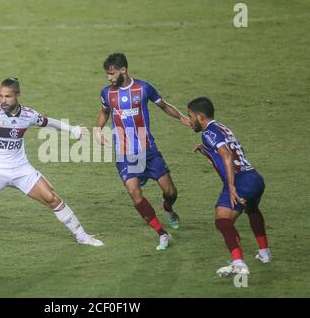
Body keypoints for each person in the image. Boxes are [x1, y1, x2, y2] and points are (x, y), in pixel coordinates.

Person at [0, 78, 104, 247]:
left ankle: (82, 236)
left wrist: (72, 130)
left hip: (21, 169)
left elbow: (50, 122)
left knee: (51, 198)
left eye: (8, 96)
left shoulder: (28, 115)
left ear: (17, 96)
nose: (3, 100)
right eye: (1, 96)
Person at [94, 53, 190, 250]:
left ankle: (168, 208)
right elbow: (105, 111)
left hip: (148, 150)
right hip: (124, 153)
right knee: (134, 192)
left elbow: (163, 106)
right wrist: (97, 129)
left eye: (112, 74)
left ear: (123, 70)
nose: (109, 78)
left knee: (170, 192)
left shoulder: (143, 88)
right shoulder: (106, 93)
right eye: (107, 75)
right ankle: (162, 233)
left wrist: (180, 117)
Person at [187, 96, 271, 276]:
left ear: (200, 116)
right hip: (254, 177)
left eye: (191, 116)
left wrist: (232, 186)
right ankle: (264, 253)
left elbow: (226, 155)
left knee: (223, 220)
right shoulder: (222, 127)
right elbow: (228, 151)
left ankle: (238, 263)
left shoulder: (208, 132)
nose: (189, 121)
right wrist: (206, 151)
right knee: (252, 209)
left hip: (240, 181)